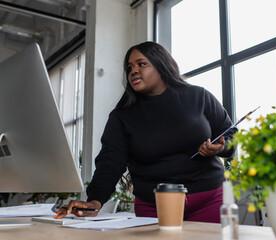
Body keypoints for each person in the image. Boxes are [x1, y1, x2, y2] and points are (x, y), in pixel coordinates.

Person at [55, 41, 237, 223]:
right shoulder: (122, 116)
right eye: (129, 67)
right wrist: (96, 199)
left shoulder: (199, 96)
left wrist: (221, 147)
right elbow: (111, 161)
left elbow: (230, 135)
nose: (133, 70)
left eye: (141, 64)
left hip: (210, 200)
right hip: (154, 206)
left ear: (161, 65)